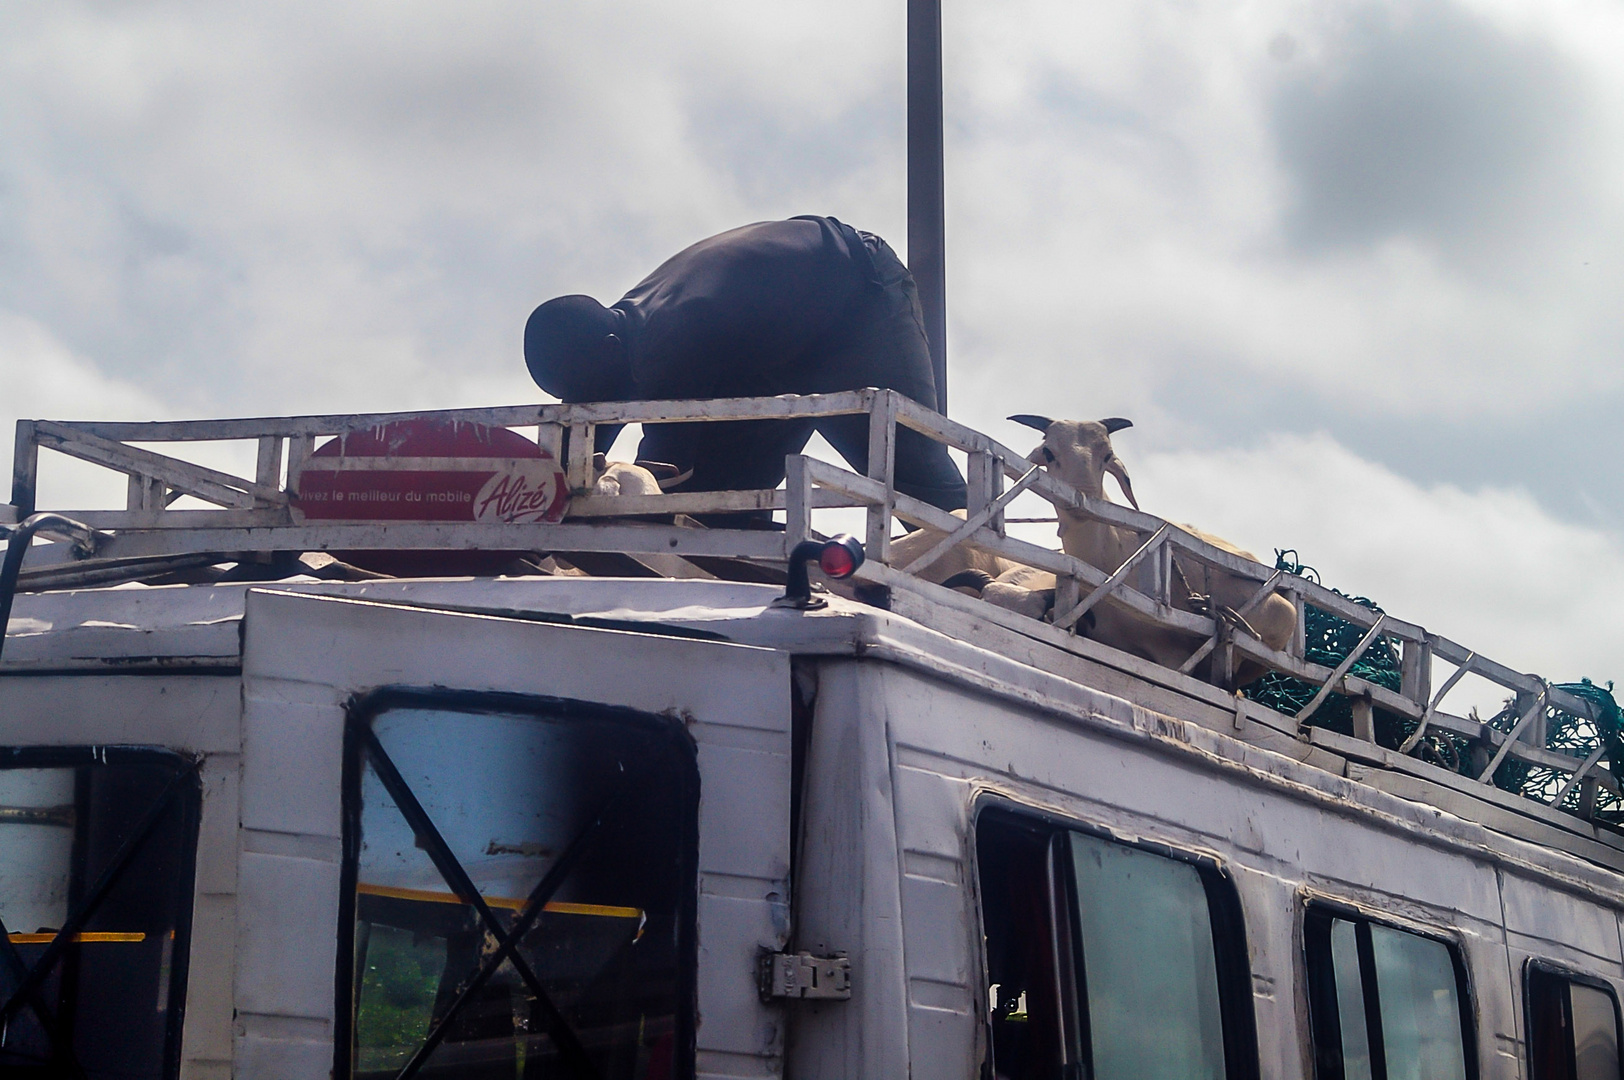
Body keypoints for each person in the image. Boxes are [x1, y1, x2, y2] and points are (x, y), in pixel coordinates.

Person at [523, 215, 966, 517]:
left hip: (856, 298)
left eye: (584, 390)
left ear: (608, 349)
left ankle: (992, 575)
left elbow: (661, 473)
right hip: (769, 350)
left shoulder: (675, 340)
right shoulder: (622, 342)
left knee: (914, 481)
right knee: (718, 500)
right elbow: (582, 438)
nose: (588, 403)